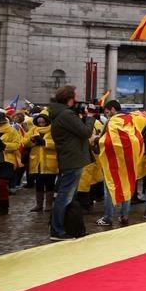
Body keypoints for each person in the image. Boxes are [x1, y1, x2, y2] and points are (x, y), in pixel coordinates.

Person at [47, 86, 94, 240]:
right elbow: (86, 132)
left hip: (69, 159)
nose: (76, 98)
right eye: (75, 95)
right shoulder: (66, 114)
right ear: (69, 98)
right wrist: (90, 117)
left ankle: (65, 227)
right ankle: (57, 231)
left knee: (65, 196)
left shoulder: (60, 113)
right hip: (73, 160)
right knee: (64, 197)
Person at [0, 110, 24, 215]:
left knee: (2, 185)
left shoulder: (12, 131)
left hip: (6, 161)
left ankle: (4, 208)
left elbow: (17, 145)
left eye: (0, 122)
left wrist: (3, 145)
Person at [22, 113, 56, 212]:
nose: (41, 124)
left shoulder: (53, 130)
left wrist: (45, 143)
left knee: (50, 183)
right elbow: (24, 142)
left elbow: (58, 144)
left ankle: (49, 205)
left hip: (50, 161)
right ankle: (39, 205)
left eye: (43, 122)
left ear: (47, 121)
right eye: (39, 122)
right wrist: (31, 141)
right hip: (36, 161)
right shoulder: (33, 130)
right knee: (39, 183)